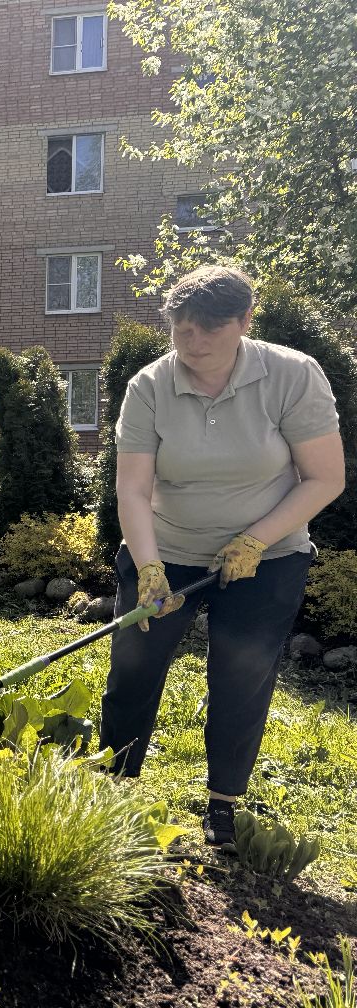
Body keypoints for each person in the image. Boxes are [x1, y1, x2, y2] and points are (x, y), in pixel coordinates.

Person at [100, 266, 345, 845]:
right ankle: (111, 787)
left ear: (244, 322)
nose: (192, 340)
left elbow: (324, 477)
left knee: (240, 676)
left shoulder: (291, 376)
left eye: (209, 327)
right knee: (133, 670)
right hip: (169, 545)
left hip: (269, 554)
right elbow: (133, 489)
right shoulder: (150, 386)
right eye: (180, 327)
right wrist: (151, 566)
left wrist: (257, 538)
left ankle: (222, 804)